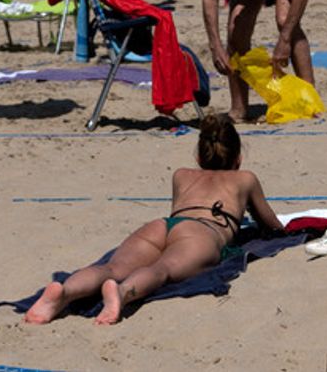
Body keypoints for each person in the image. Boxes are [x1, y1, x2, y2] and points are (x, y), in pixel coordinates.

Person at [21, 114, 281, 326]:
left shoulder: (181, 175)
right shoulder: (245, 178)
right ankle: (121, 294)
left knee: (113, 267)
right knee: (162, 270)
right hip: (201, 232)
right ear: (239, 158)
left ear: (199, 158)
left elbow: (179, 215)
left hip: (163, 226)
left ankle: (63, 292)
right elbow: (270, 223)